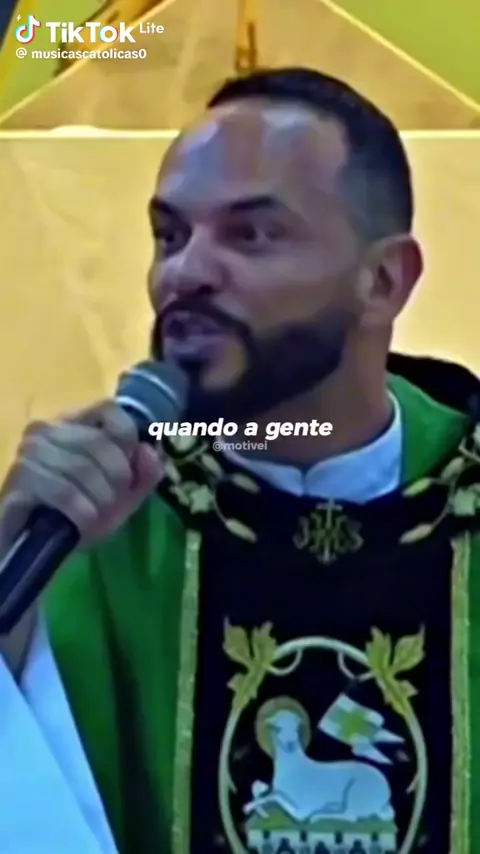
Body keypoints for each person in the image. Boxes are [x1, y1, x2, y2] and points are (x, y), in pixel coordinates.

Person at [0, 66, 479, 854]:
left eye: (250, 234)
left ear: (383, 280)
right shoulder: (104, 524)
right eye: (169, 236)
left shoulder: (464, 490)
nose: (184, 273)